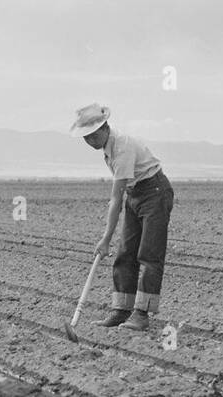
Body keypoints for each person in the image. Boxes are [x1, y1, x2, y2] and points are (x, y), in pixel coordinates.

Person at [71, 103, 174, 330]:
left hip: (155, 193)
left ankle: (141, 314)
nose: (89, 142)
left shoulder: (122, 148)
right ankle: (121, 310)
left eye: (92, 136)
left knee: (148, 255)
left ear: (105, 128)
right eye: (85, 138)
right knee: (125, 252)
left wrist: (106, 238)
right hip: (135, 194)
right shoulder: (108, 149)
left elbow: (115, 199)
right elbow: (122, 195)